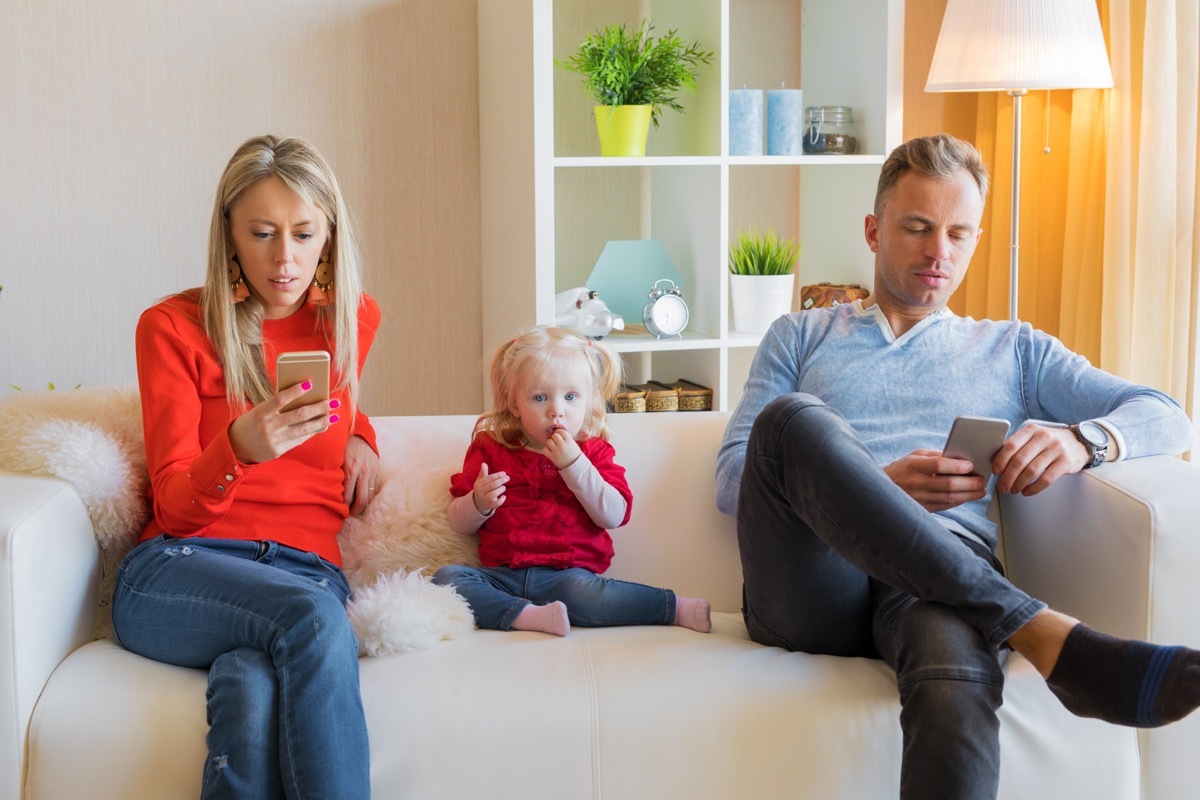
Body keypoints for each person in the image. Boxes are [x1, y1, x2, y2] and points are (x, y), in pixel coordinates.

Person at [715, 133, 1200, 800]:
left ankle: (1016, 624)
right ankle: (1040, 629)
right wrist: (877, 486)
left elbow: (1168, 414)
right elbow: (734, 478)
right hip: (814, 584)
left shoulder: (1013, 349)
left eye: (959, 234)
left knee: (954, 679)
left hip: (938, 584)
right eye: (916, 227)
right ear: (873, 229)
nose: (938, 252)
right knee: (791, 420)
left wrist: (1084, 441)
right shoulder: (802, 334)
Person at [113, 135, 380, 799]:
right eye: (261, 233)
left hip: (306, 573)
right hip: (180, 570)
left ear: (329, 236)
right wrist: (236, 451)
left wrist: (364, 435)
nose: (284, 259)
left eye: (302, 233)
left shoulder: (352, 320)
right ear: (229, 233)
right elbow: (174, 505)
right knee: (311, 622)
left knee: (249, 685)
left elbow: (340, 412)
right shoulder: (170, 329)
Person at [433, 325, 711, 636]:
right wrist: (477, 503)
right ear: (514, 404)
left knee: (590, 596)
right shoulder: (491, 448)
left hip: (570, 579)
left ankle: (674, 608)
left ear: (588, 400)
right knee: (447, 578)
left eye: (570, 397)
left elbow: (613, 515)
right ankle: (527, 616)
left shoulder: (593, 452)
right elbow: (458, 522)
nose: (556, 411)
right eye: (539, 397)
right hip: (503, 577)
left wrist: (574, 465)